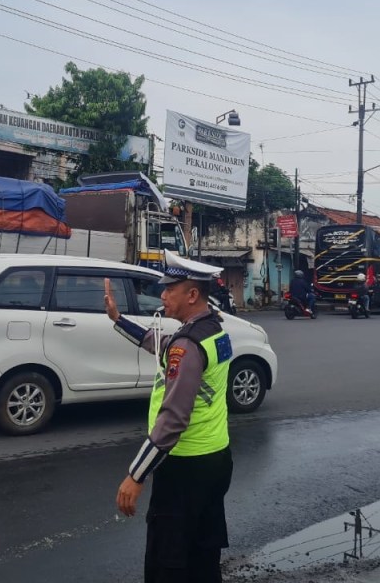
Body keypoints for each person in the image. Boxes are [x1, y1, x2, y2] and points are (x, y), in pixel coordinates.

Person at [104, 249, 234, 583]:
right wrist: (118, 320)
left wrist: (136, 475)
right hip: (216, 459)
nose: (162, 296)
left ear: (192, 295)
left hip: (184, 469)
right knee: (204, 555)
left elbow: (174, 419)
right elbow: (157, 343)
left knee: (168, 562)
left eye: (169, 290)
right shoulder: (213, 330)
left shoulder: (187, 344)